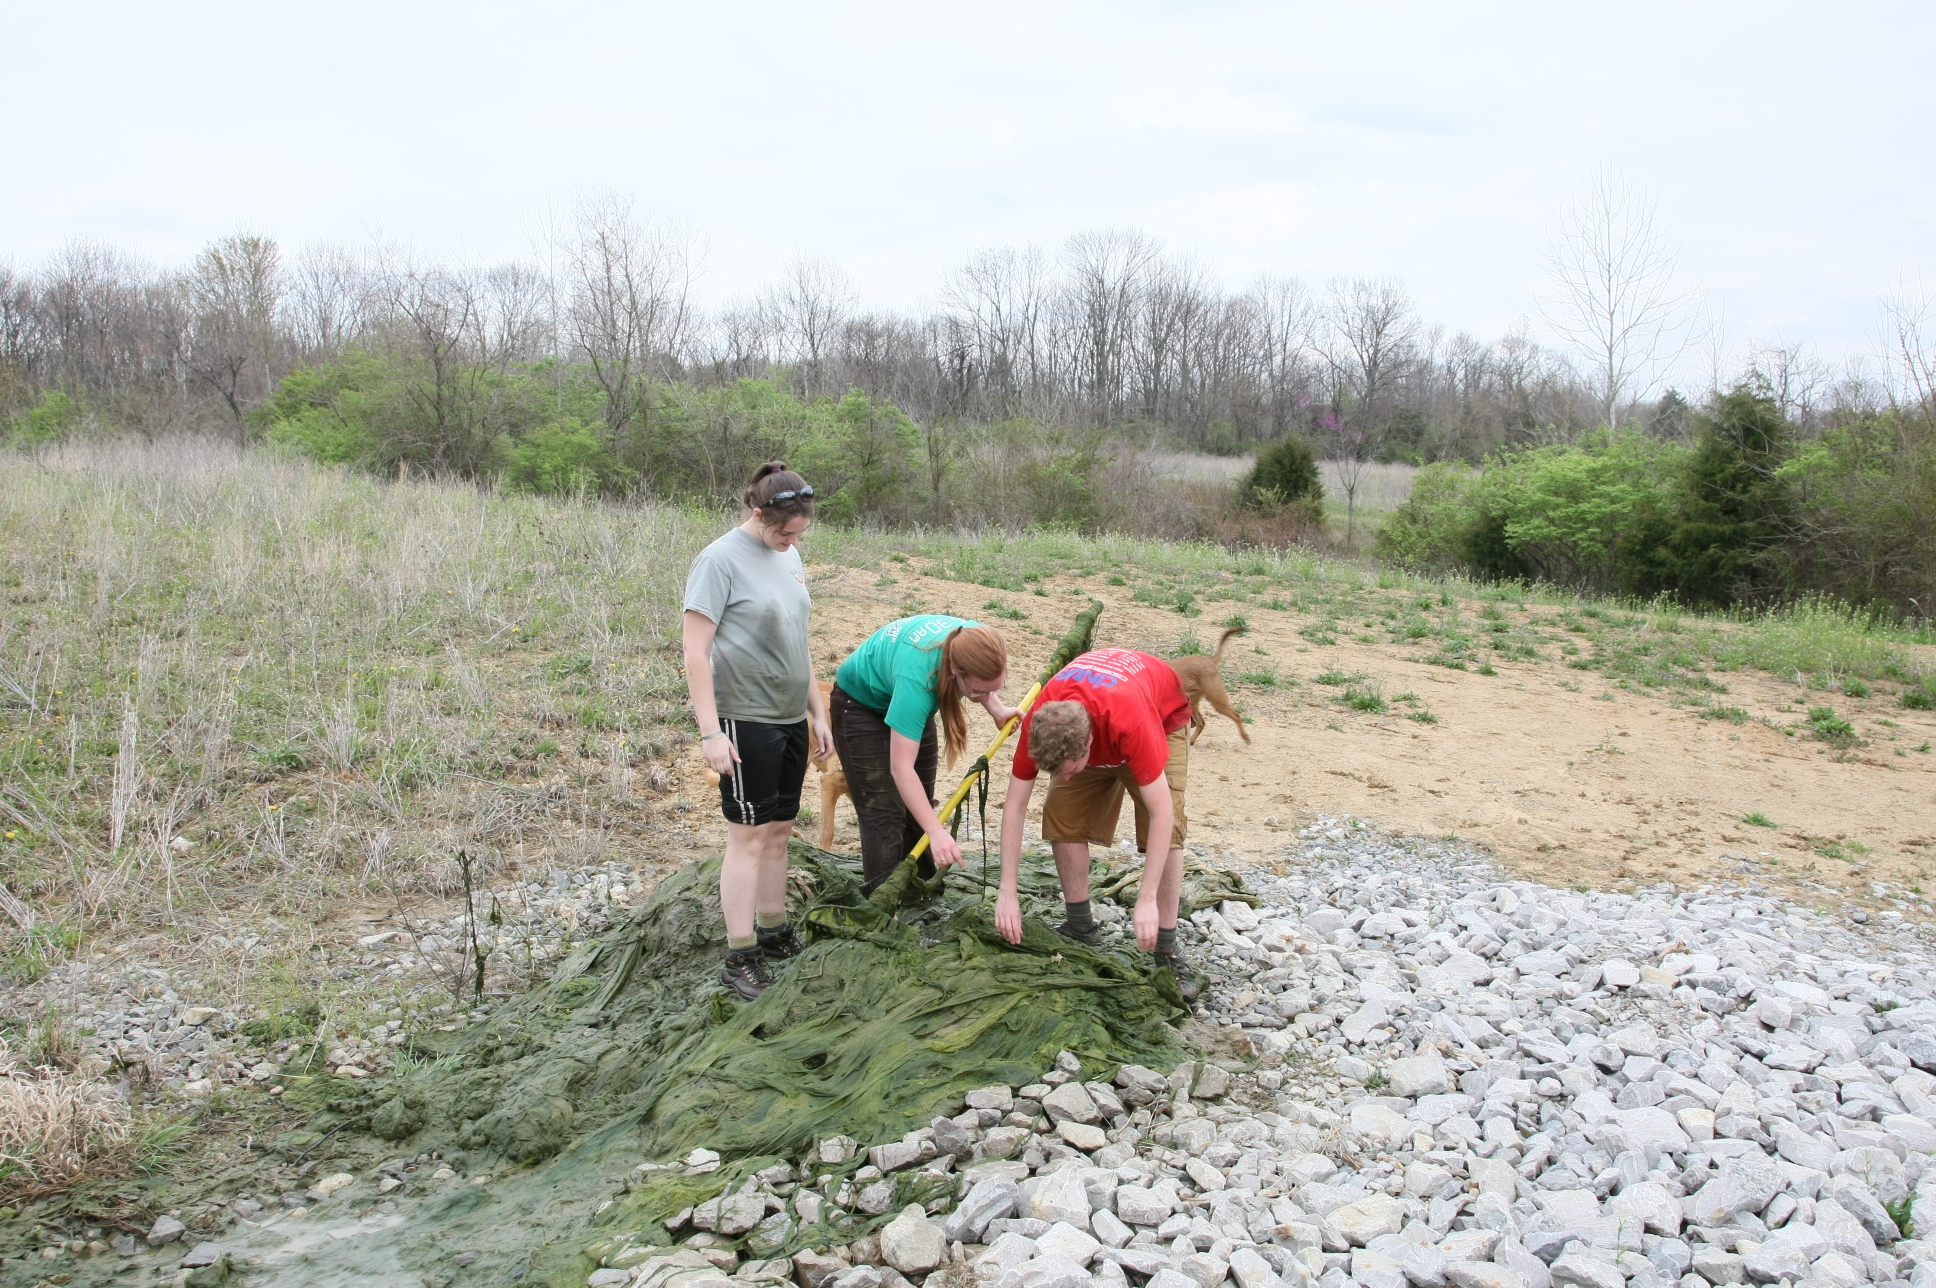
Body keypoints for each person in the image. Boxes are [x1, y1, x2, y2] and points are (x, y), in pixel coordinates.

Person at [683, 463, 833, 1000]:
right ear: (758, 514)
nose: (792, 542)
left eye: (799, 534)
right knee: (747, 836)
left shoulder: (789, 555)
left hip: (791, 716)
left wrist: (818, 712)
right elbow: (695, 652)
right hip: (745, 717)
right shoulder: (718, 560)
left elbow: (797, 638)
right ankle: (740, 954)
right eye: (784, 533)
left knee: (780, 828)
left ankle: (773, 929)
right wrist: (710, 733)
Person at [993, 646, 1199, 1001]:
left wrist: (1146, 898)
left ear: (1089, 742)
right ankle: (1080, 925)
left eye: (1070, 769)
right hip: (1096, 723)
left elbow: (1162, 814)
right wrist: (1007, 891)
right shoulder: (1040, 725)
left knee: (1168, 834)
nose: (1065, 777)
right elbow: (1014, 807)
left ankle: (1167, 948)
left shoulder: (1130, 723)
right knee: (1062, 813)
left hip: (1159, 720)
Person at [830, 616, 1019, 893]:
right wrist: (937, 832)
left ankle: (922, 892)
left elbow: (983, 684)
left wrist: (998, 710)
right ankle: (882, 904)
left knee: (919, 808)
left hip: (906, 695)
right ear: (954, 669)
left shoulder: (976, 639)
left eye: (993, 689)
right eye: (979, 692)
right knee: (884, 815)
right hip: (861, 706)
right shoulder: (918, 681)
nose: (985, 696)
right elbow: (901, 769)